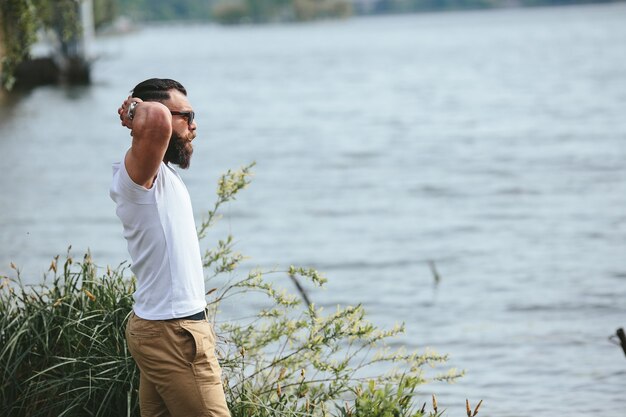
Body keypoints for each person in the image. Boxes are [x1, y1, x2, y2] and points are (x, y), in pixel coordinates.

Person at [110, 78, 231, 417]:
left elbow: (160, 123)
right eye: (187, 116)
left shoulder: (160, 173)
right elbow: (157, 122)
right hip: (174, 334)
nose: (194, 127)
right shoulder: (137, 177)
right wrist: (135, 109)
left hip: (164, 328)